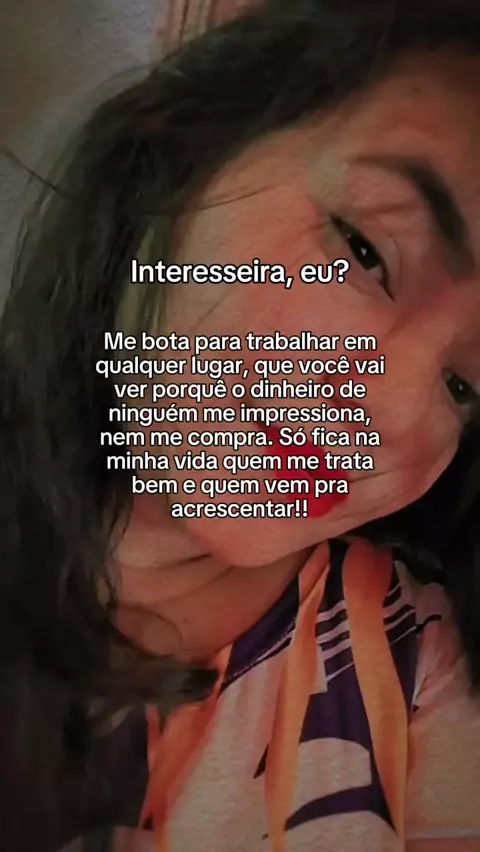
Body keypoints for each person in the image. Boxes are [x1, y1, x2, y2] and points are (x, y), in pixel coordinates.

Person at [2, 0, 480, 849]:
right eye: (365, 250)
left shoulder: (418, 660)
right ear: (183, 163)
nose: (391, 414)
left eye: (464, 384)